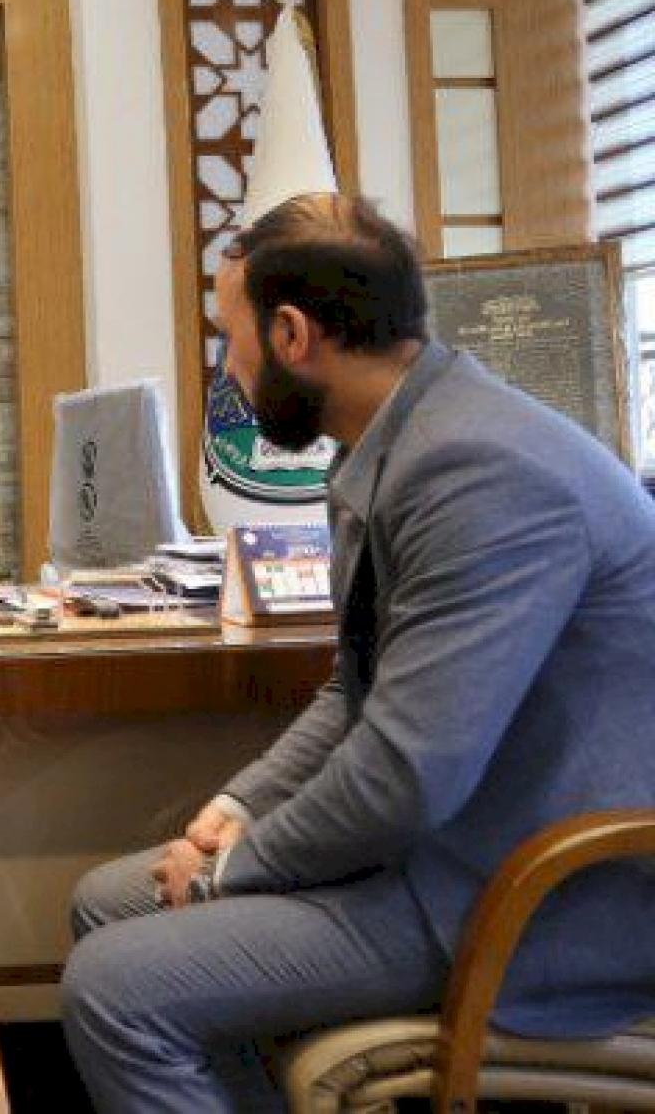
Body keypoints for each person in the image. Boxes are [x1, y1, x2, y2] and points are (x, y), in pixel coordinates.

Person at [60, 193, 655, 1113]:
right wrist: (238, 807)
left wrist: (233, 871)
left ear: (291, 334)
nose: (228, 368)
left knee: (114, 990)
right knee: (111, 898)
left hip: (533, 902)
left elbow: (407, 773)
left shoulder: (482, 473)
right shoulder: (410, 437)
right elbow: (359, 691)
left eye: (229, 338)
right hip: (456, 851)